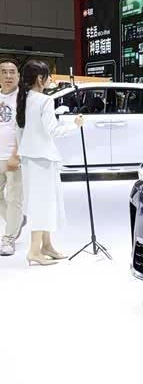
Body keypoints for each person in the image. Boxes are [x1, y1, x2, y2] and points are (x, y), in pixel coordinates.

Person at [16, 60, 84, 266]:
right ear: (40, 79)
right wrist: (75, 124)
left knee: (38, 203)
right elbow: (53, 131)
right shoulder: (44, 101)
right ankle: (34, 251)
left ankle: (46, 245)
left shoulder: (23, 99)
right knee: (43, 204)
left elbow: (20, 131)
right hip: (43, 160)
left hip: (29, 159)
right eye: (48, 76)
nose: (51, 80)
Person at [0, 59, 27, 256]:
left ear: (18, 76)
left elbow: (24, 129)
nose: (8, 76)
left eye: (12, 72)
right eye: (4, 72)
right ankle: (18, 220)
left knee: (14, 198)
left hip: (14, 157)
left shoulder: (23, 99)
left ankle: (9, 239)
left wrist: (16, 155)